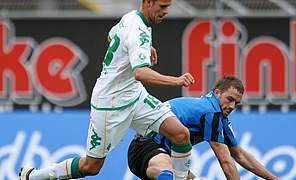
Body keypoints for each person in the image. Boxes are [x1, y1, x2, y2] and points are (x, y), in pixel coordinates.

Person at [19, 0, 195, 179]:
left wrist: (139, 49)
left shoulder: (131, 17)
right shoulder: (138, 28)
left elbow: (111, 36)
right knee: (91, 166)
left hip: (135, 95)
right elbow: (140, 73)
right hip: (111, 103)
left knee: (181, 134)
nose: (166, 11)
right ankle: (33, 176)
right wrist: (176, 80)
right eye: (163, 6)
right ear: (149, 2)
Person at [128, 76, 280, 180]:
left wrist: (273, 178)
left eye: (237, 103)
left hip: (161, 152)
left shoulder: (217, 115)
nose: (232, 106)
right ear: (217, 93)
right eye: (230, 99)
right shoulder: (211, 112)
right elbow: (226, 161)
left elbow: (240, 154)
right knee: (169, 173)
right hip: (146, 148)